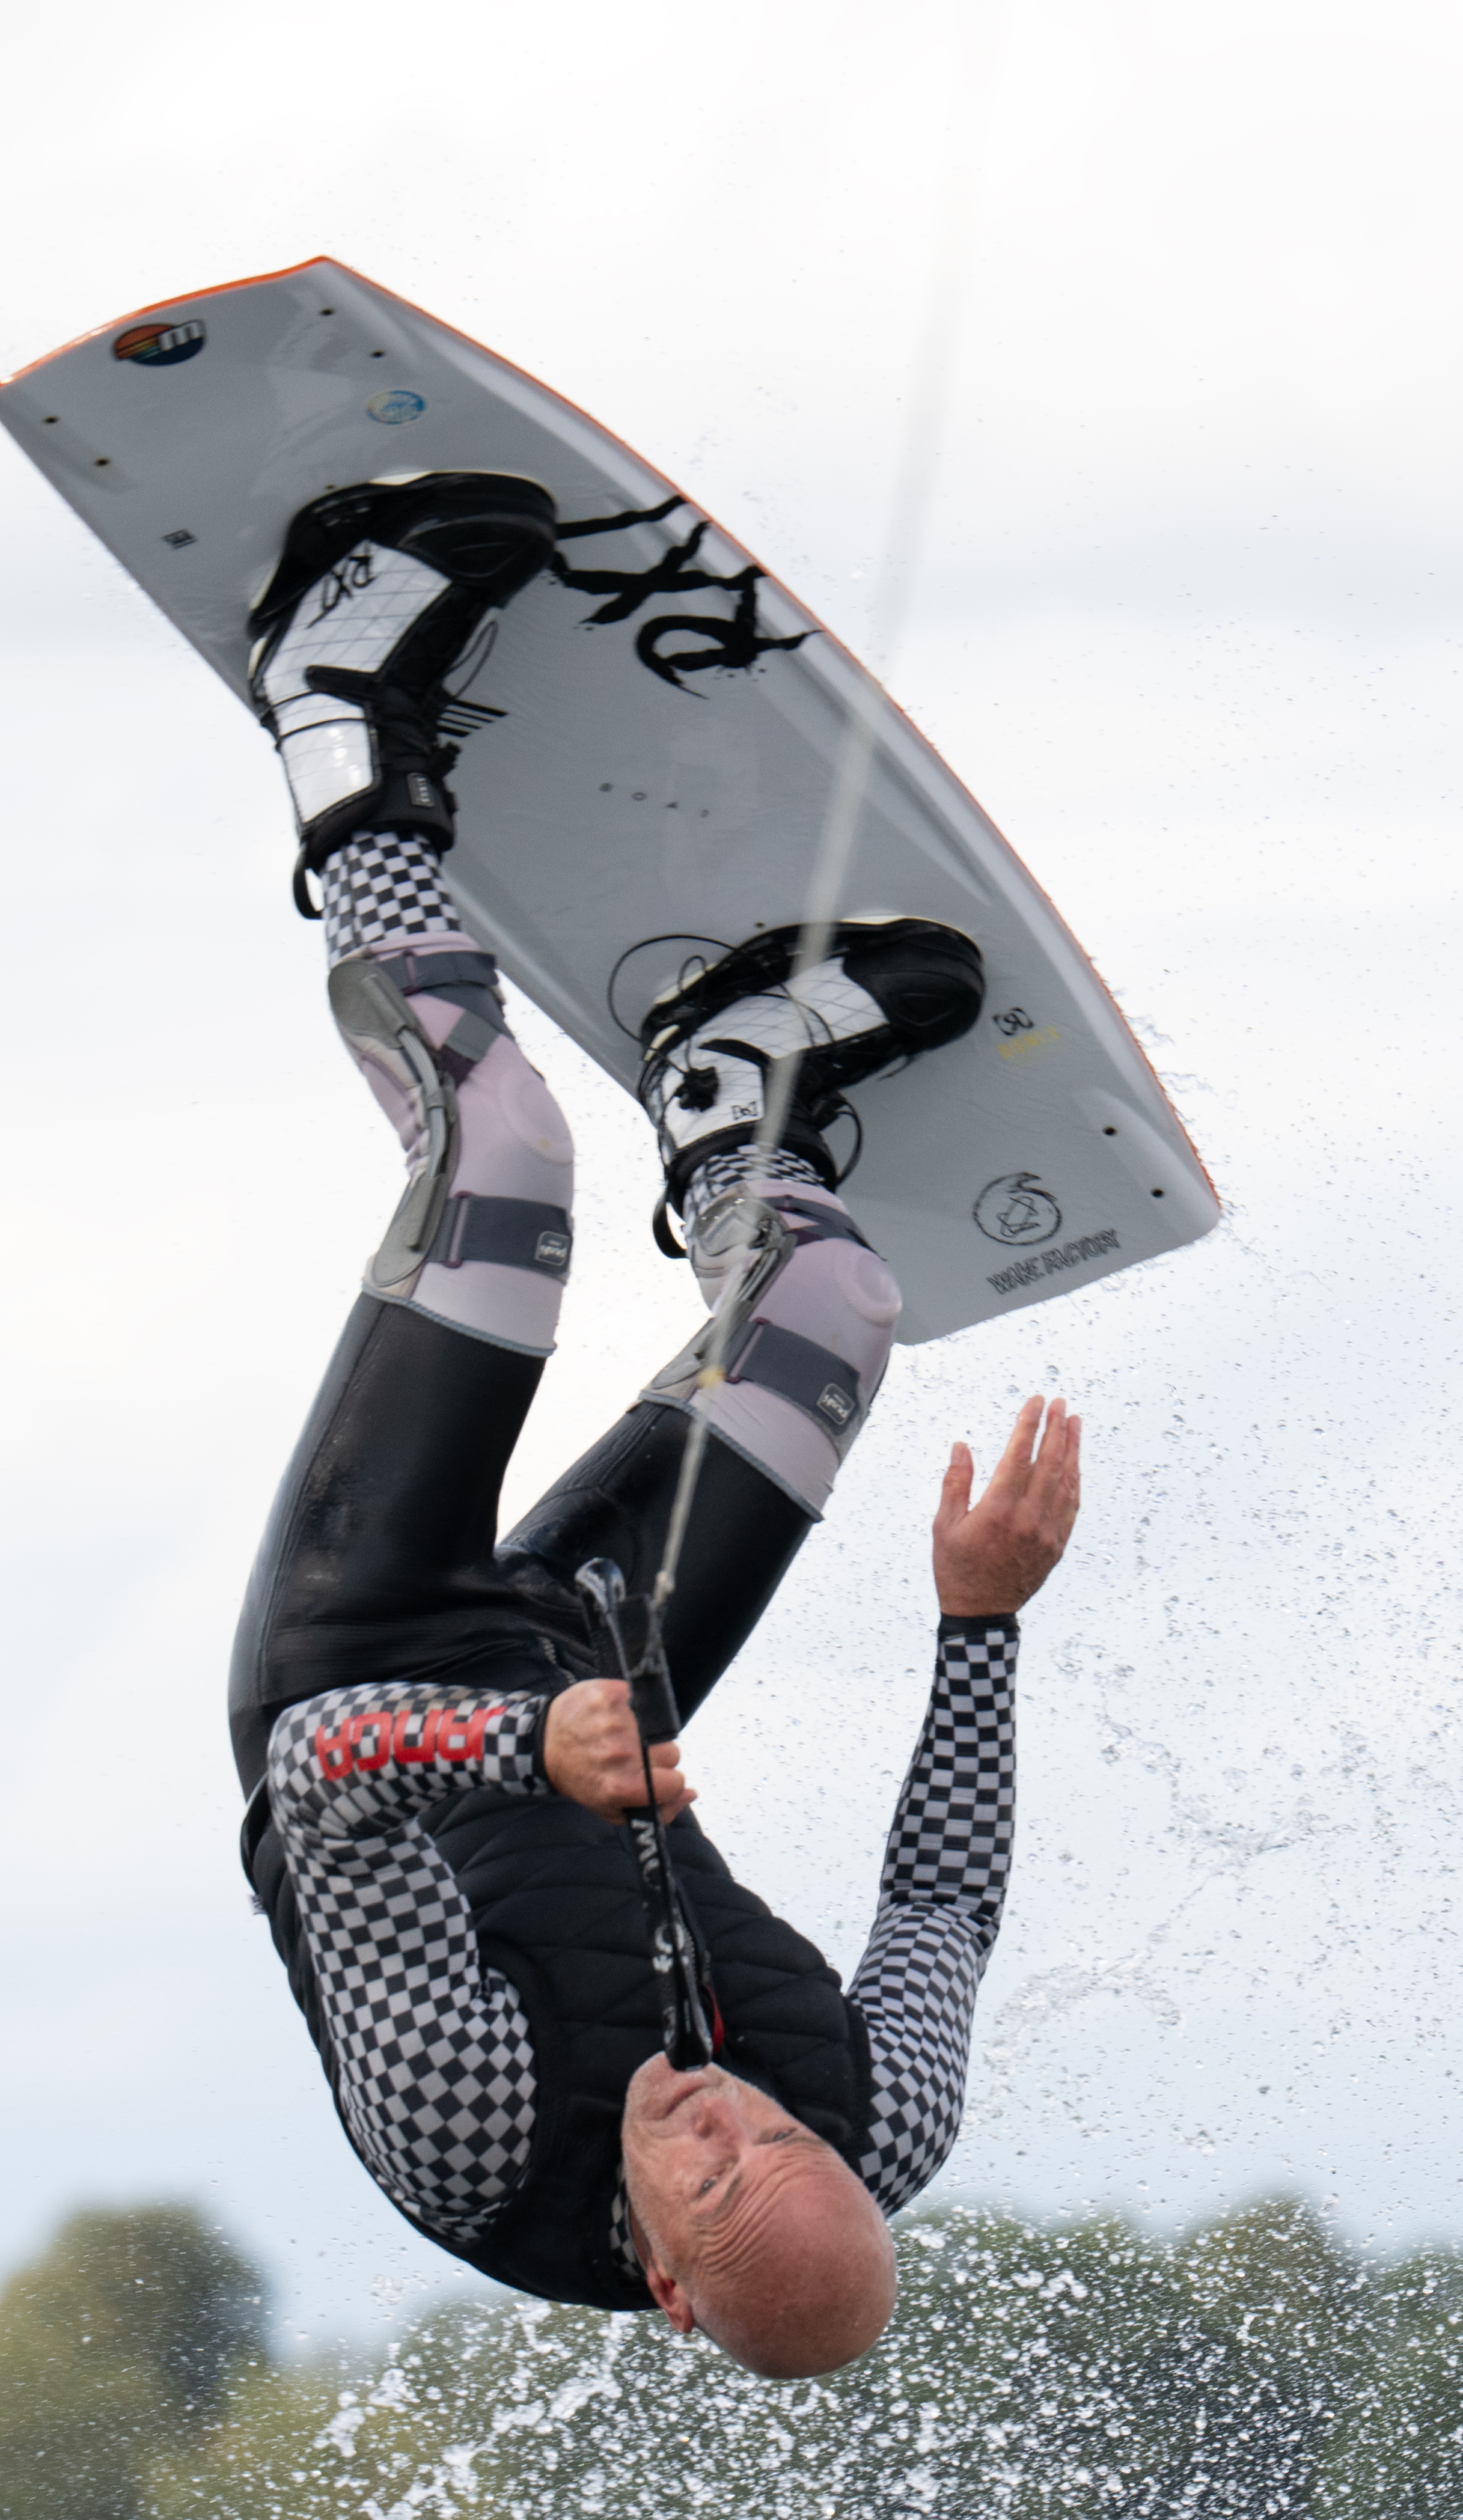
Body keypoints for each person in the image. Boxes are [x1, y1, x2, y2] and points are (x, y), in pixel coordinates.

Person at [219, 473, 1084, 2381]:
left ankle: (337, 709)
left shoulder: (475, 2148)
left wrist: (529, 1743)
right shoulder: (883, 2128)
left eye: (709, 2170)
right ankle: (732, 1098)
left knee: (503, 1157)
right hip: (599, 1698)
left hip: (369, 1668)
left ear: (665, 2284)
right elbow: (938, 1902)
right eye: (772, 2130)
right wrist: (979, 1623)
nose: (724, 2111)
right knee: (844, 1311)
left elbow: (319, 1785)